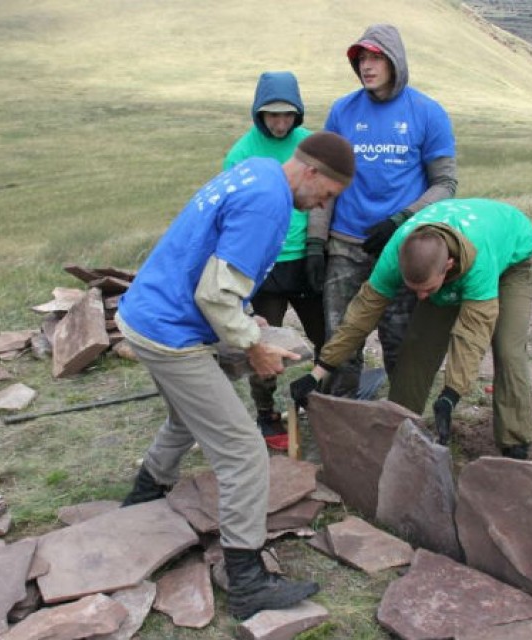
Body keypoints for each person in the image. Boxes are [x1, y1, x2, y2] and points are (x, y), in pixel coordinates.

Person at [116, 131, 355, 620]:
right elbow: (215, 295)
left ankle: (144, 497)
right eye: (326, 195)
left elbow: (217, 267)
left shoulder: (257, 173)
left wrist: (247, 315)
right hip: (171, 333)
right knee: (244, 453)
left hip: (146, 314)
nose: (319, 207)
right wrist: (253, 346)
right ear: (311, 172)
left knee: (188, 414)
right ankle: (246, 579)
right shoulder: (270, 203)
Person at [291, 198, 532, 459]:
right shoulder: (394, 256)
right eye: (414, 289)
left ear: (449, 267)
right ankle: (397, 431)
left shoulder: (479, 262)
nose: (421, 297)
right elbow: (359, 318)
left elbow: (471, 338)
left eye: (428, 290)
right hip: (450, 263)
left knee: (508, 351)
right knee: (416, 350)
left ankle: (515, 444)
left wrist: (449, 397)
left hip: (511, 260)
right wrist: (318, 372)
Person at [310, 23, 458, 398]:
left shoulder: (428, 113)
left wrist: (402, 219)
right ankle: (342, 416)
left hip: (403, 246)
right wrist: (316, 242)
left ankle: (403, 419)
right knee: (341, 339)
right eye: (361, 58)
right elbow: (324, 180)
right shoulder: (342, 111)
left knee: (400, 342)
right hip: (346, 245)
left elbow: (445, 184)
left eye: (375, 57)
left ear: (395, 60)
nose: (367, 66)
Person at [224, 71, 325, 451]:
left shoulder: (311, 145)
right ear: (259, 114)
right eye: (272, 115)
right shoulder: (242, 153)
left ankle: (324, 397)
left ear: (298, 113)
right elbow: (236, 214)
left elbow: (324, 196)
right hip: (264, 266)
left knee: (325, 335)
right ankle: (266, 413)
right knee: (263, 342)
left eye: (287, 115)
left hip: (306, 258)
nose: (280, 123)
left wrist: (316, 247)